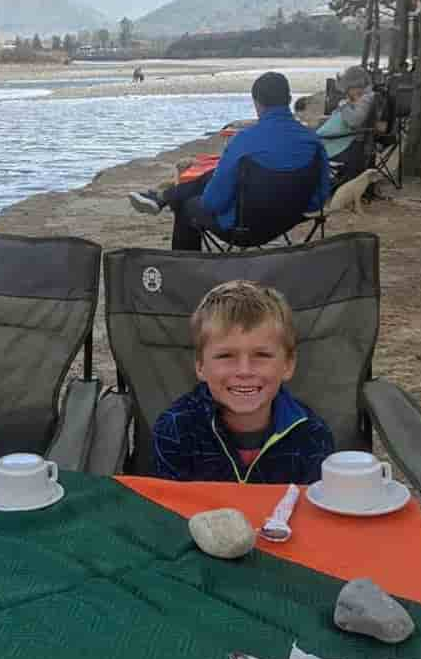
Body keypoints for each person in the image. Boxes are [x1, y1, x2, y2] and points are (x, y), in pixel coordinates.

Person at [153, 280, 334, 484]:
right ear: (200, 365)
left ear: (288, 365)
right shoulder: (174, 429)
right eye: (226, 356)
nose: (244, 371)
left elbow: (313, 511)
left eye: (262, 355)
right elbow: (168, 509)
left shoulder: (312, 436)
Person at [128, 72, 331, 251]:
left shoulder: (243, 141)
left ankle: (184, 266)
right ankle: (163, 196)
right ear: (287, 99)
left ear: (257, 103)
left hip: (245, 229)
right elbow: (320, 196)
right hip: (288, 220)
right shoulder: (313, 141)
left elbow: (212, 202)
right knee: (213, 177)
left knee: (188, 205)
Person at [316, 65, 375, 184]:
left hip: (346, 146)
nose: (347, 93)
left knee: (309, 149)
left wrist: (344, 106)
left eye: (347, 90)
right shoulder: (363, 97)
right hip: (343, 141)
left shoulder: (365, 99)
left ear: (355, 85)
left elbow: (354, 121)